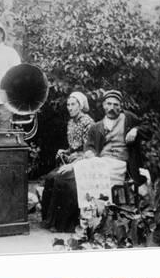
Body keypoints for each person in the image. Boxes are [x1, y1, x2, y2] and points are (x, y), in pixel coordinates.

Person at [43, 90, 150, 233]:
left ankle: (81, 222)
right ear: (104, 106)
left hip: (120, 164)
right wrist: (89, 152)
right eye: (108, 104)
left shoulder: (128, 119)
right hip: (101, 161)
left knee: (77, 173)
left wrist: (136, 129)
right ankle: (64, 223)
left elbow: (148, 128)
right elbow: (90, 146)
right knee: (67, 178)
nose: (111, 108)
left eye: (115, 105)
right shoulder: (97, 126)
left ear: (120, 106)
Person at [41, 92, 95, 231]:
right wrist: (65, 151)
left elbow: (89, 151)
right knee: (49, 178)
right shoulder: (71, 122)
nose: (69, 108)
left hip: (84, 162)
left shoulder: (88, 122)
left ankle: (61, 225)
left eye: (73, 104)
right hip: (72, 160)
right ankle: (49, 220)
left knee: (60, 179)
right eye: (68, 105)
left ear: (80, 106)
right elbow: (73, 147)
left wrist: (75, 160)